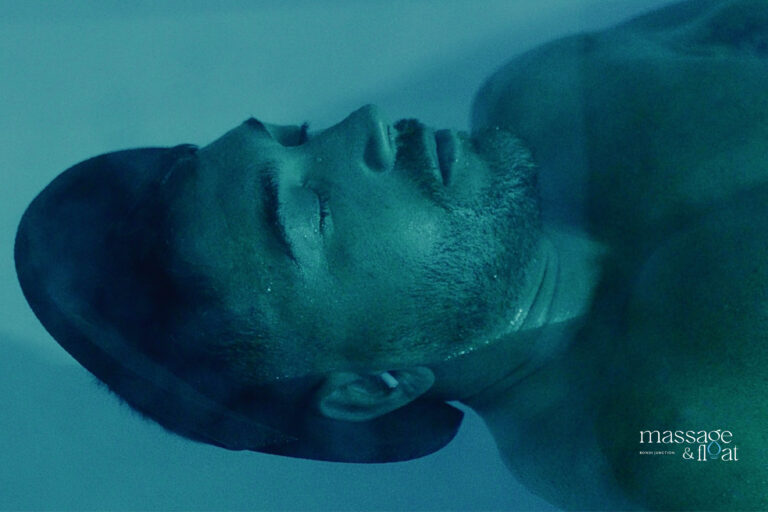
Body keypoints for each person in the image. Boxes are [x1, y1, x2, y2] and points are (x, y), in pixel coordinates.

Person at [14, 0, 768, 509]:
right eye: (315, 208)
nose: (369, 125)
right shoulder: (665, 441)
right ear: (372, 388)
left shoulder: (549, 94)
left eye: (300, 135)